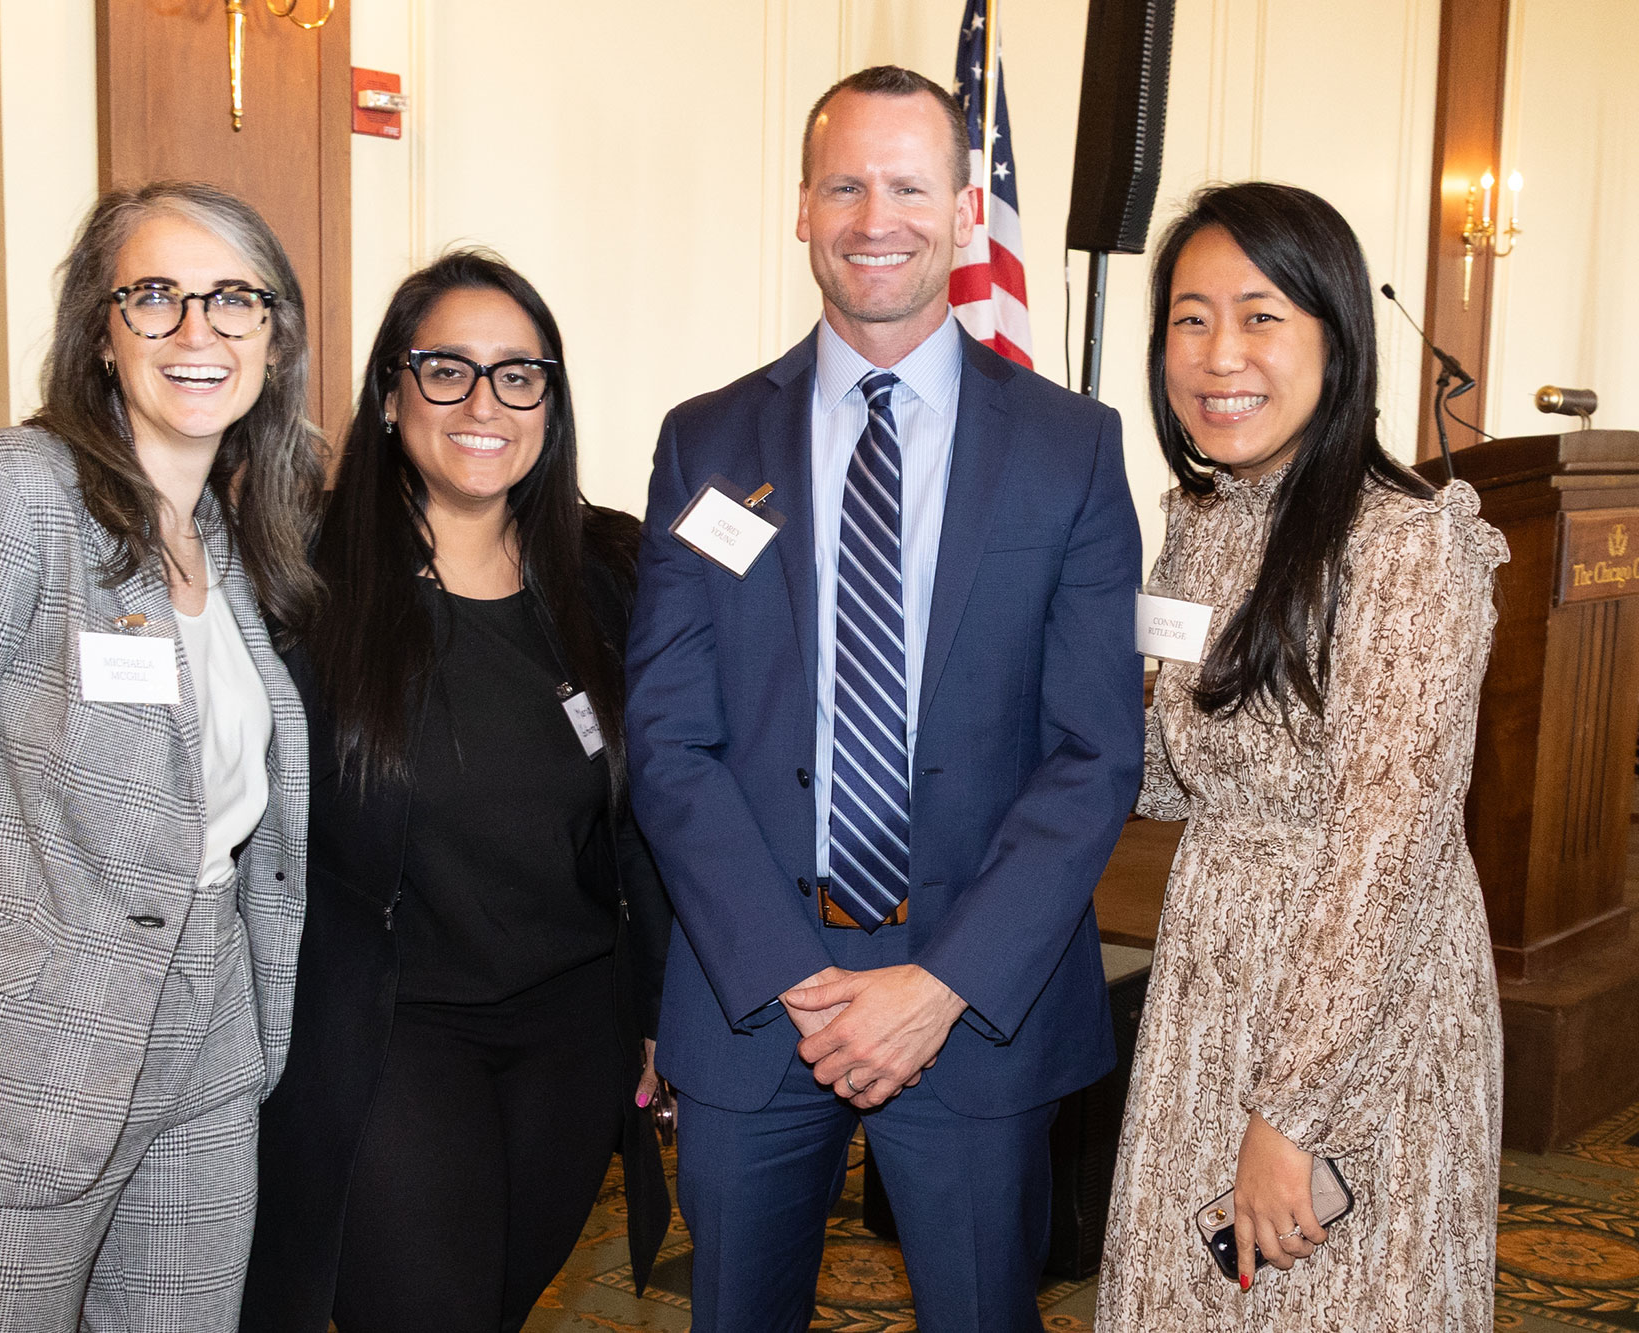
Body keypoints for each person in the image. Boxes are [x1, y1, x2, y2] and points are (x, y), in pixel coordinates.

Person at [625, 65, 1143, 1333]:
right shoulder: (706, 442)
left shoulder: (1069, 447)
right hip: (756, 989)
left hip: (972, 991)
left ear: (964, 210)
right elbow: (667, 736)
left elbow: (1092, 751)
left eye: (908, 184)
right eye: (845, 183)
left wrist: (939, 983)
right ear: (800, 207)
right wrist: (792, 972)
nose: (876, 216)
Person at [0, 180, 324, 1332]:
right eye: (155, 297)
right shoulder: (2, 498)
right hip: (7, 1064)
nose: (198, 331)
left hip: (206, 1052)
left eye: (235, 299)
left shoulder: (231, 530)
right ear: (100, 330)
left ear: (274, 340)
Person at [1094, 182, 1505, 1331]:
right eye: (1187, 316)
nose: (1217, 352)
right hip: (1209, 976)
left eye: (1259, 314)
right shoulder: (1200, 520)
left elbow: (1386, 846)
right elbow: (1173, 777)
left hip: (1357, 1003)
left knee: (1332, 1296)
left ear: (1335, 335)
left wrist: (1293, 1112)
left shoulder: (1409, 542)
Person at [239, 249, 672, 1333]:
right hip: (388, 1032)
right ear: (391, 393)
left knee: (492, 1306)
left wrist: (660, 1013)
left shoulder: (608, 572)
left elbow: (647, 822)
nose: (484, 403)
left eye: (518, 375)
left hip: (571, 1034)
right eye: (446, 370)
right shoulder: (300, 579)